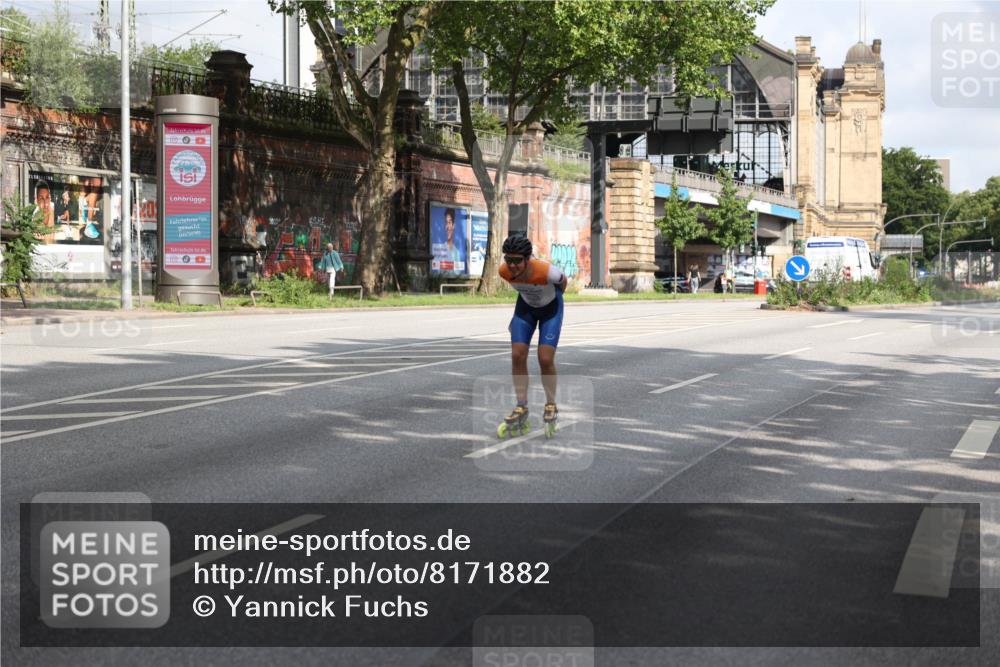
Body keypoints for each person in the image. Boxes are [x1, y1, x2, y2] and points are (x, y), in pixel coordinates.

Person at [497, 234, 567, 437]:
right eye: (508, 259)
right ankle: (521, 405)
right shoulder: (504, 272)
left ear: (528, 258)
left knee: (545, 358)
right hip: (525, 308)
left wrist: (551, 301)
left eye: (517, 260)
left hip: (551, 309)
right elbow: (520, 288)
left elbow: (563, 285)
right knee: (517, 354)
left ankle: (551, 404)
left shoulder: (547, 272)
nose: (512, 265)